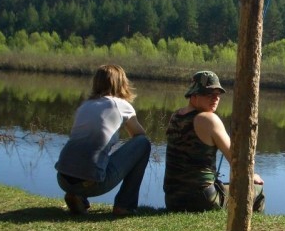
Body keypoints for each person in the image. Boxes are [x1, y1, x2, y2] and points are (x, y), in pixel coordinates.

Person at [56, 64, 151, 216]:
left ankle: (77, 196)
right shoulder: (121, 105)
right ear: (121, 84)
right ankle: (125, 205)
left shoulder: (84, 106)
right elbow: (139, 135)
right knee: (143, 144)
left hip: (62, 179)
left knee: (91, 154)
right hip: (91, 184)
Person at [163, 70, 265, 213]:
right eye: (208, 94)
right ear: (194, 95)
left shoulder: (176, 116)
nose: (215, 98)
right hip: (202, 200)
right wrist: (252, 176)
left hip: (172, 200)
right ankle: (253, 229)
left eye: (218, 95)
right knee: (258, 189)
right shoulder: (209, 119)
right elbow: (236, 160)